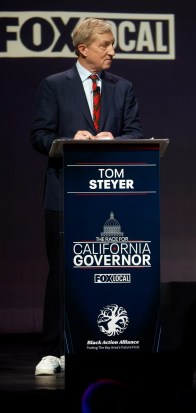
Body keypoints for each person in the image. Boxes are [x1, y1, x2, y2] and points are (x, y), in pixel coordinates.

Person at [30, 17, 143, 376]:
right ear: (83, 49)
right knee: (61, 273)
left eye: (113, 44)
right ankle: (53, 351)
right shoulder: (54, 85)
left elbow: (135, 133)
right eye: (105, 44)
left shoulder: (123, 87)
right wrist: (66, 141)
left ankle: (104, 341)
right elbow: (39, 136)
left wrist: (116, 140)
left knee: (109, 272)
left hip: (111, 197)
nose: (113, 50)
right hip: (65, 195)